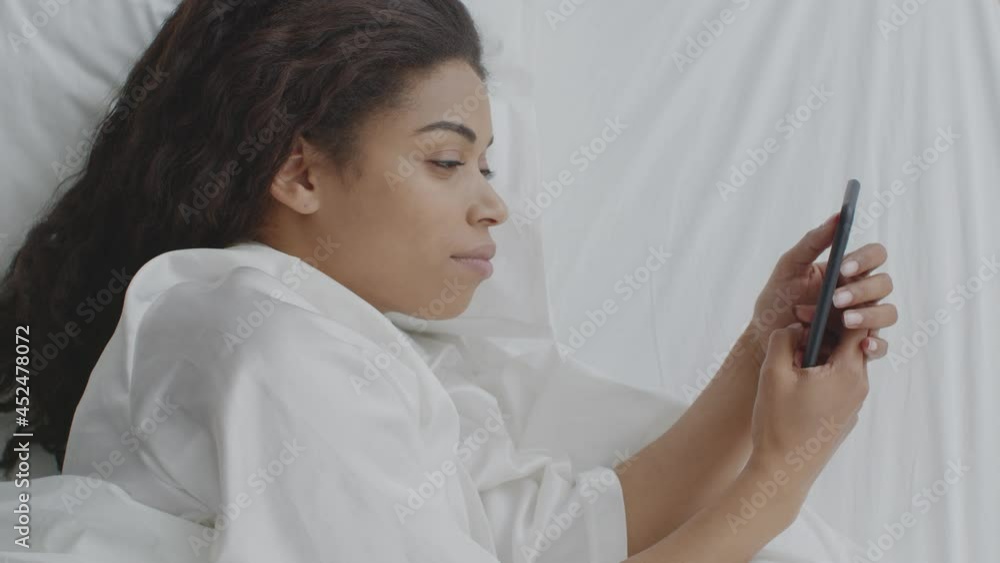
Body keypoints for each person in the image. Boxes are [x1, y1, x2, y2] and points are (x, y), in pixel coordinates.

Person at [0, 0, 897, 561]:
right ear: (300, 173)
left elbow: (555, 536)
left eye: (487, 167)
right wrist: (782, 475)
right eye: (445, 161)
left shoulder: (342, 339)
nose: (493, 206)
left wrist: (756, 354)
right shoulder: (270, 341)